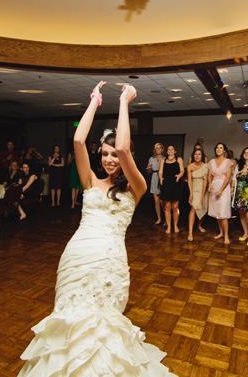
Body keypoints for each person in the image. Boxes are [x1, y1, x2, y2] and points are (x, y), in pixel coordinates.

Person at [18, 81, 176, 377]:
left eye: (113, 154)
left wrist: (124, 104)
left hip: (108, 260)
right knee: (69, 321)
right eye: (104, 153)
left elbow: (122, 148)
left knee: (103, 326)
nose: (109, 158)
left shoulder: (136, 186)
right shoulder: (89, 180)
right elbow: (78, 142)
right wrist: (94, 101)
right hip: (76, 256)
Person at [208, 143, 233, 244]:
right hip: (214, 187)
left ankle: (226, 235)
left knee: (223, 213)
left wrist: (221, 190)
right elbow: (209, 176)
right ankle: (221, 232)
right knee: (217, 213)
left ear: (224, 151)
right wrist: (210, 184)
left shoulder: (228, 162)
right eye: (217, 148)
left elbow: (228, 178)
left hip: (224, 189)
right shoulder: (211, 162)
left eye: (220, 148)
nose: (218, 149)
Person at [159, 145, 184, 234]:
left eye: (172, 149)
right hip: (166, 184)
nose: (170, 150)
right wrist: (160, 177)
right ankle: (169, 226)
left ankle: (175, 226)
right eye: (168, 149)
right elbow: (160, 171)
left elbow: (182, 170)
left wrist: (179, 175)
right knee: (167, 206)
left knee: (175, 206)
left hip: (176, 183)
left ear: (175, 151)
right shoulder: (163, 160)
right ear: (166, 152)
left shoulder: (179, 159)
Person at [187, 147, 208, 242]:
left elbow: (205, 181)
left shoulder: (205, 166)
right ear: (193, 156)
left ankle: (199, 225)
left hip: (203, 189)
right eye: (195, 154)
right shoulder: (190, 166)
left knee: (203, 207)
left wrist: (203, 195)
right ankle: (190, 232)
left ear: (202, 156)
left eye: (199, 154)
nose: (197, 156)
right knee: (193, 208)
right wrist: (191, 193)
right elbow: (189, 181)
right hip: (194, 189)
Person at [146, 142, 164, 226]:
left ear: (162, 149)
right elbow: (148, 172)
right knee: (156, 201)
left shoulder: (165, 158)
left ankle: (166, 219)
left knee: (162, 201)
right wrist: (149, 168)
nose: (158, 149)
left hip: (162, 179)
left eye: (160, 148)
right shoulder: (151, 159)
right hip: (154, 178)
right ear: (154, 150)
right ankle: (159, 218)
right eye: (157, 148)